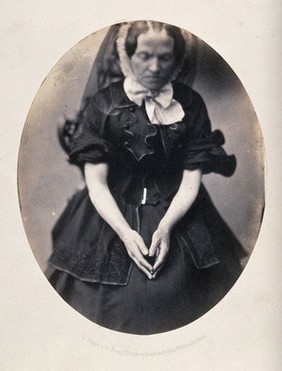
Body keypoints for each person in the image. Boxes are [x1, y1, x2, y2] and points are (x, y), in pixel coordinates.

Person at [48, 21, 245, 335]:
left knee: (183, 295)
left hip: (176, 204)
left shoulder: (191, 103)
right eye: (144, 56)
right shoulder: (103, 104)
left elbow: (191, 178)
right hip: (110, 210)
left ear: (177, 59)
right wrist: (126, 233)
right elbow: (96, 182)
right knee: (116, 305)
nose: (154, 67)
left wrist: (166, 226)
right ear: (127, 56)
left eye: (164, 58)